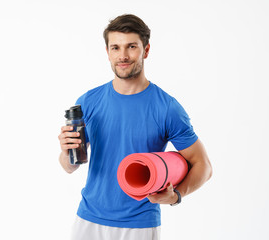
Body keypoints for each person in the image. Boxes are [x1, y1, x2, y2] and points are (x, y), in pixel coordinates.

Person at [58, 14, 212, 240]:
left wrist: (175, 196)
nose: (123, 56)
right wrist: (66, 153)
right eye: (115, 47)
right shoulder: (88, 102)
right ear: (107, 52)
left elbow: (203, 166)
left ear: (146, 50)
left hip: (139, 224)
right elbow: (68, 167)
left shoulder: (166, 108)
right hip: (88, 219)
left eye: (131, 46)